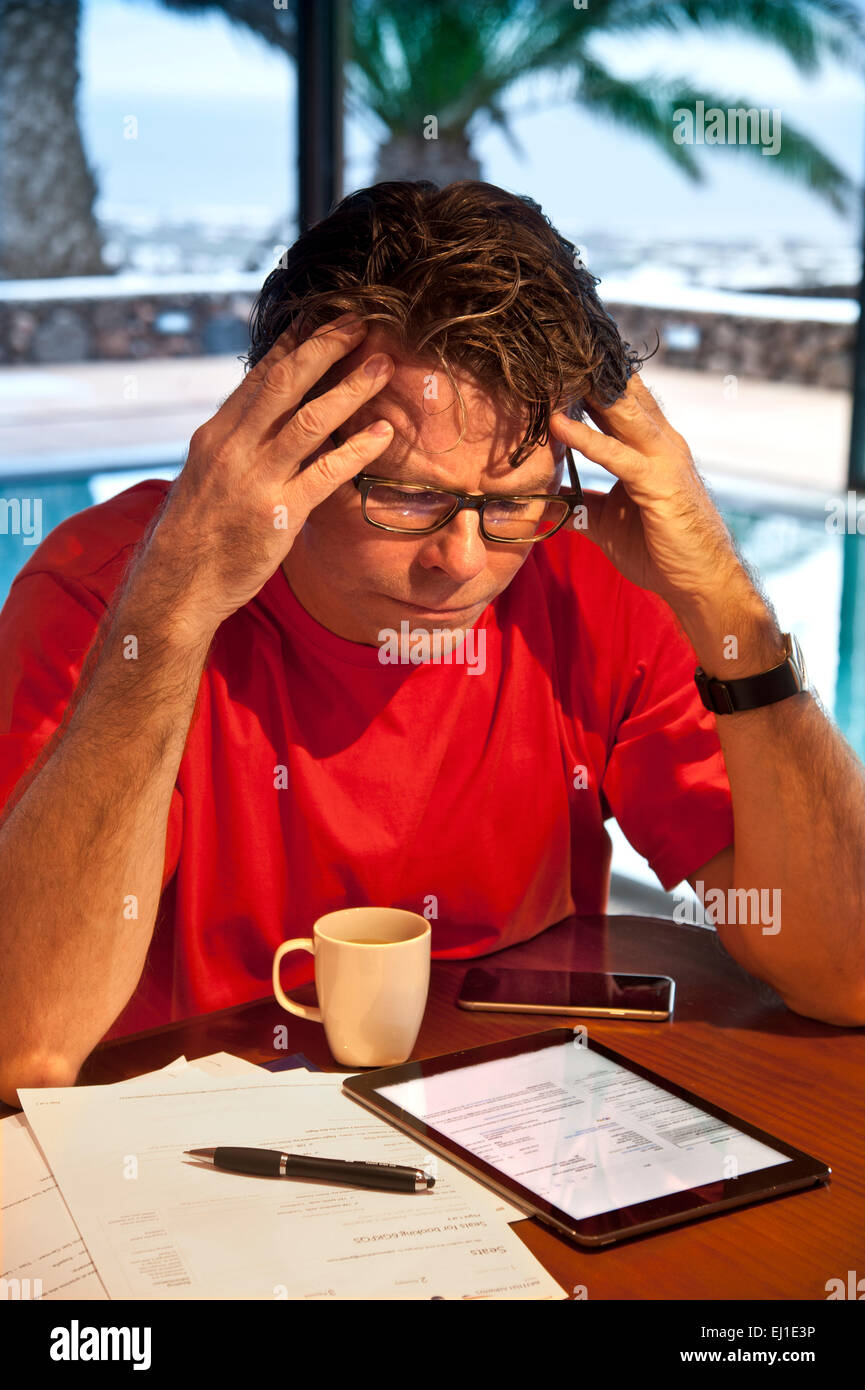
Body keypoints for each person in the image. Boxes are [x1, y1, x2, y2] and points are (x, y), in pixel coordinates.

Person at [1, 181, 863, 1109]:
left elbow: (841, 970)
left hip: (503, 1120)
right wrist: (170, 617)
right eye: (407, 498)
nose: (462, 561)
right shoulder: (109, 595)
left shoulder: (586, 578)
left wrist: (725, 606)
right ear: (282, 450)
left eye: (509, 500)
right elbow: (23, 1046)